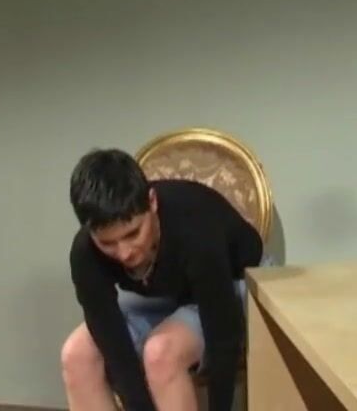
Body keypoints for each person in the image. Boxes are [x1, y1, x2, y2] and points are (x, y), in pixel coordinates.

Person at [61, 147, 264, 411]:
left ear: (152, 202)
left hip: (235, 279)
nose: (124, 253)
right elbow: (111, 341)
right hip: (165, 292)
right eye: (108, 243)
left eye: (133, 234)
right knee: (76, 355)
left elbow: (223, 336)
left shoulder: (195, 228)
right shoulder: (85, 252)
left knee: (160, 353)